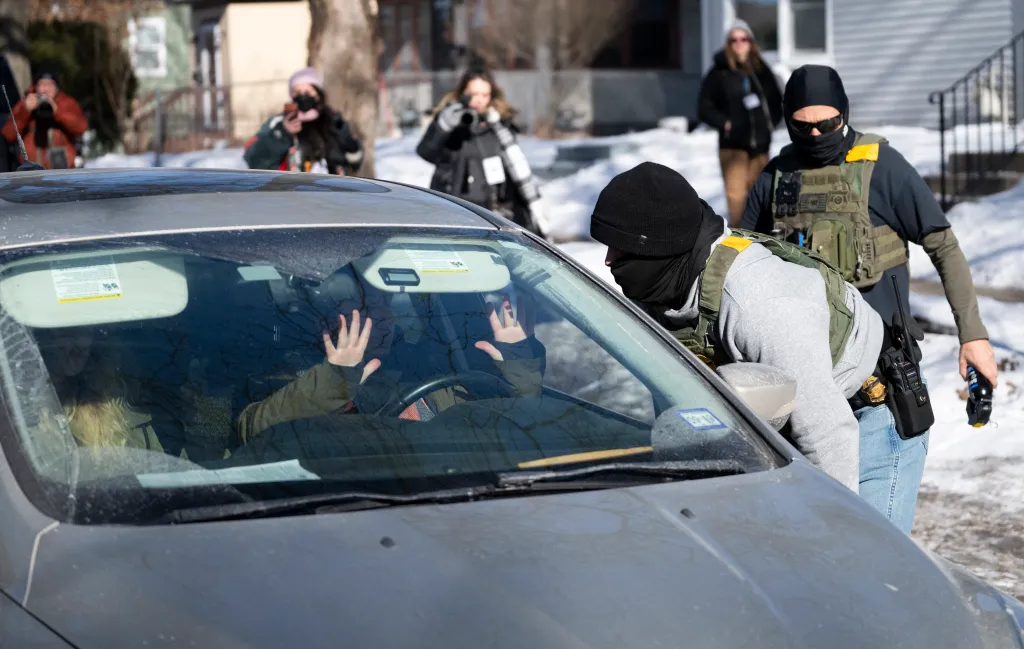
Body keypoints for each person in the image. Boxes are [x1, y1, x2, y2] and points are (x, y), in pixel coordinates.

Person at [740, 64, 999, 534]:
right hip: (809, 393)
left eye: (828, 124)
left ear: (846, 114)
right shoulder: (777, 178)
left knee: (879, 546)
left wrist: (973, 334)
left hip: (883, 387)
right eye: (804, 127)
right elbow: (743, 269)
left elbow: (942, 243)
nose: (817, 135)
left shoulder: (881, 165)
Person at [591, 161, 884, 495]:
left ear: (658, 248)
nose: (608, 260)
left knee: (863, 539)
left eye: (622, 248)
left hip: (862, 411)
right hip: (774, 425)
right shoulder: (662, 288)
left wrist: (838, 534)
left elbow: (825, 431)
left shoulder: (758, 303)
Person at [236, 299, 547, 442]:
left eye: (383, 303)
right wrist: (334, 380)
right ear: (327, 322)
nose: (381, 315)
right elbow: (254, 430)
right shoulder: (292, 375)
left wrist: (519, 366)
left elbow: (511, 426)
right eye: (362, 305)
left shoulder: (432, 369)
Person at [416, 67, 550, 239]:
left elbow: (516, 170)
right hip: (454, 209)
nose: (478, 100)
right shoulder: (450, 122)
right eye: (473, 93)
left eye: (484, 95)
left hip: (494, 213)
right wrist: (445, 126)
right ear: (462, 93)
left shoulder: (498, 126)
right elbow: (426, 152)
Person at [698, 20, 783, 227]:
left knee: (761, 193)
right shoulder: (719, 72)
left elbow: (776, 101)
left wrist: (769, 123)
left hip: (760, 146)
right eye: (733, 40)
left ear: (751, 42)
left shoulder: (761, 71)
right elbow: (704, 107)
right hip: (732, 147)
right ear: (728, 43)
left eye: (743, 38)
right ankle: (740, 238)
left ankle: (763, 237)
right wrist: (725, 123)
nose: (739, 43)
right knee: (736, 197)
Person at [244, 67, 364, 175]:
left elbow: (355, 162)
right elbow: (253, 160)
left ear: (318, 94)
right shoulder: (278, 123)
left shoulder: (333, 120)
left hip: (334, 194)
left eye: (308, 92)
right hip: (293, 194)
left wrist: (348, 142)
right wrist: (283, 134)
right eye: (297, 93)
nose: (303, 97)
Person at [1, 66, 88, 170]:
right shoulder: (25, 103)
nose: (45, 90)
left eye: (50, 85)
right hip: (32, 171)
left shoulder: (66, 103)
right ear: (35, 87)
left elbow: (81, 128)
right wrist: (25, 111)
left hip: (62, 170)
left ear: (57, 87)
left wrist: (57, 112)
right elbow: (8, 134)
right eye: (42, 85)